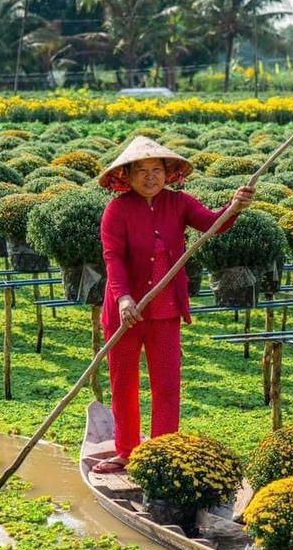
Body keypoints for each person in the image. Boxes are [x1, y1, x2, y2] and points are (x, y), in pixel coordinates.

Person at [92, 136, 254, 473]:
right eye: (141, 171)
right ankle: (127, 451)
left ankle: (163, 453)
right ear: (126, 176)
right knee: (124, 383)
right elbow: (113, 259)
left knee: (166, 385)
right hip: (125, 314)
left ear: (168, 173)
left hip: (165, 310)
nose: (150, 177)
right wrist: (123, 298)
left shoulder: (179, 204)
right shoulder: (116, 211)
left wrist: (235, 207)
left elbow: (212, 225)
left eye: (157, 170)